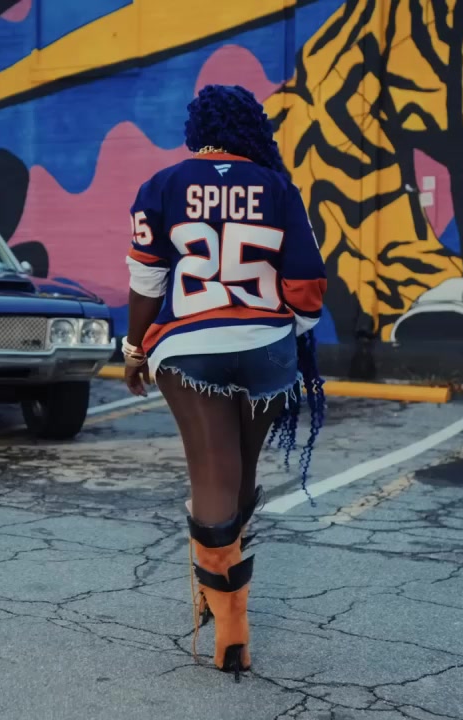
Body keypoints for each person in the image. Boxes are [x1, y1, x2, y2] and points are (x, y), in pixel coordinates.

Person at [121, 84, 328, 679]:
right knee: (240, 472)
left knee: (212, 474)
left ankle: (228, 625)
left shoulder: (162, 185)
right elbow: (307, 284)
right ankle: (224, 608)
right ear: (250, 129)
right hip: (266, 347)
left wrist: (134, 349)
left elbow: (147, 280)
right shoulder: (278, 186)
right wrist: (290, 332)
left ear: (197, 130)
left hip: (190, 347)